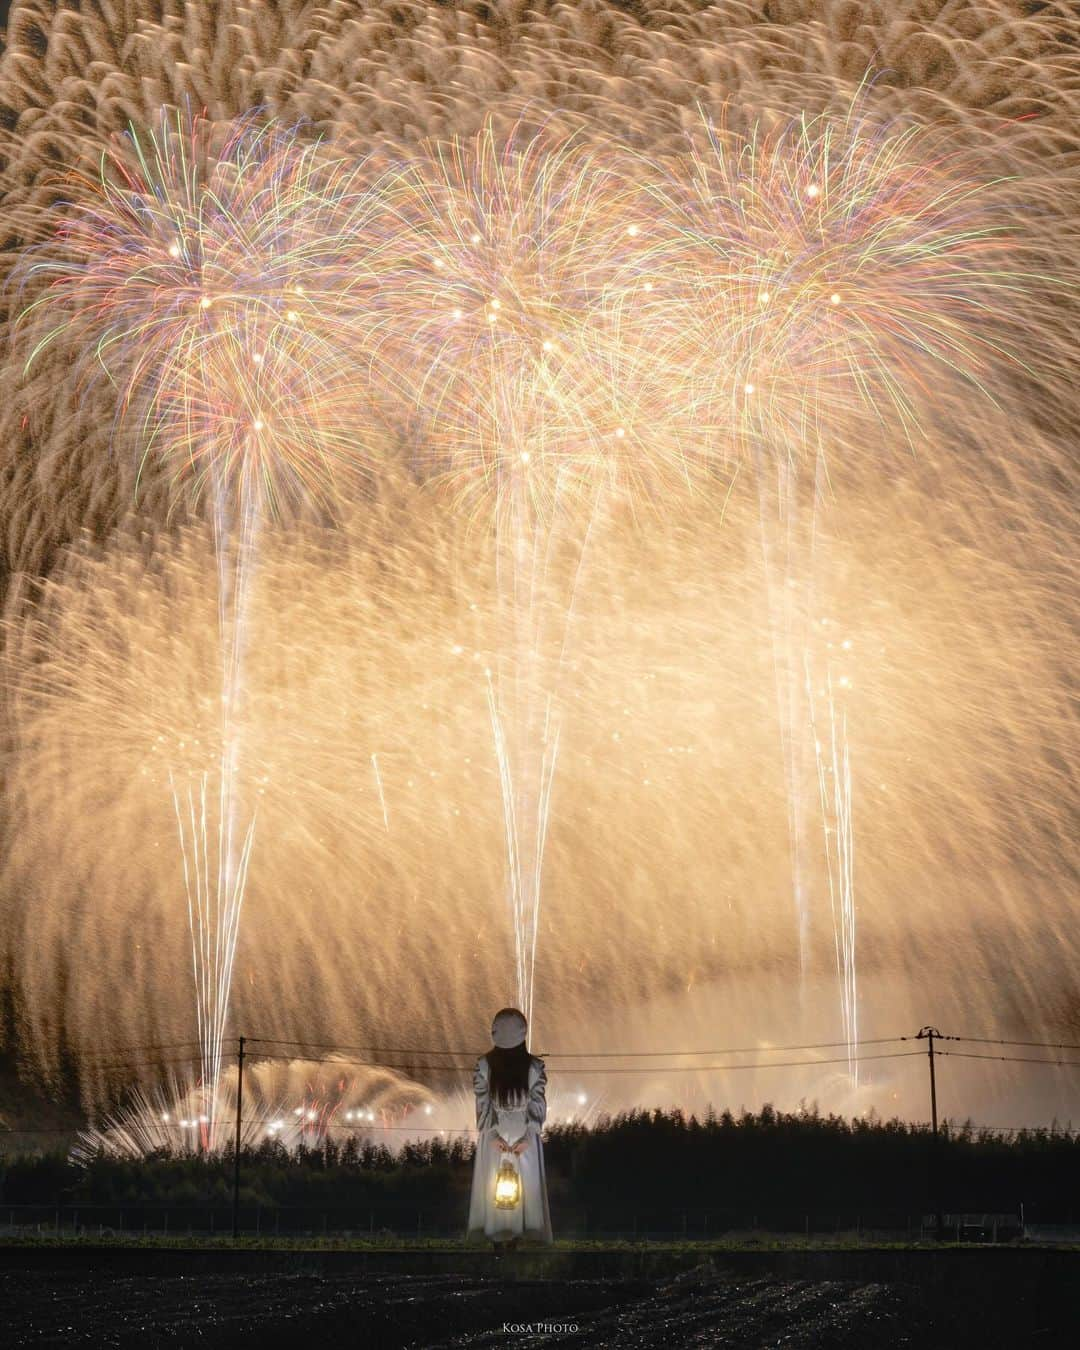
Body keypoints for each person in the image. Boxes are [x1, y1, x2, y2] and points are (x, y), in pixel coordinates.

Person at [467, 1007, 553, 1245]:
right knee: (526, 1182)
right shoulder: (534, 1066)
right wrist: (528, 1136)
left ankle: (497, 1235)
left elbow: (482, 1103)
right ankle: (524, 1233)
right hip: (524, 1134)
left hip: (495, 1135)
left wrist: (492, 1133)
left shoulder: (484, 1065)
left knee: (493, 1181)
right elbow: (538, 1103)